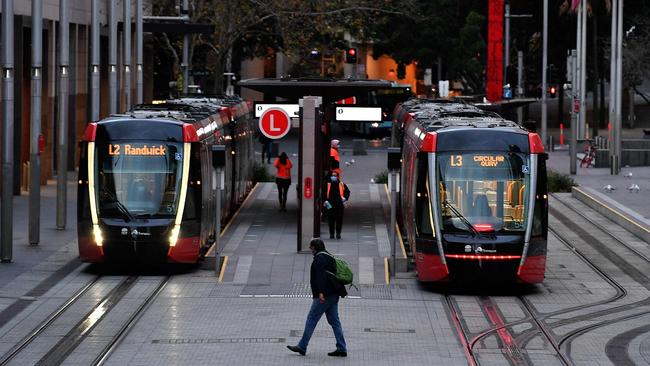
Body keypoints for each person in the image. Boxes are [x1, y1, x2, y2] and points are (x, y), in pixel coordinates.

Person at [287, 239, 347, 357]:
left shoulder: (319, 258)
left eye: (311, 247)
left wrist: (320, 292)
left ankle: (302, 346)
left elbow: (321, 276)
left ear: (315, 248)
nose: (310, 250)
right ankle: (341, 347)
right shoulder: (328, 256)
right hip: (334, 293)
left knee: (312, 318)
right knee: (335, 321)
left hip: (325, 295)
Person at [322, 171, 350, 240]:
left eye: (335, 175)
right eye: (332, 175)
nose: (333, 177)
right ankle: (331, 234)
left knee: (339, 220)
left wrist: (345, 198)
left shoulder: (342, 184)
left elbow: (347, 192)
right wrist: (325, 200)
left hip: (339, 205)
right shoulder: (327, 184)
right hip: (330, 205)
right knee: (331, 220)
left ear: (337, 176)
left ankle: (338, 233)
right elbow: (323, 193)